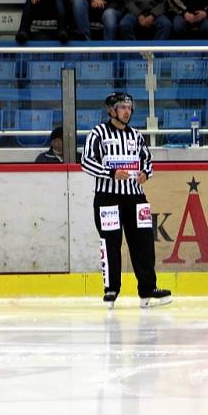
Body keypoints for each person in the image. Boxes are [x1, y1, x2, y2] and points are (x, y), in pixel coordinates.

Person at [81, 92, 172, 309]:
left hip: (135, 197)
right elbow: (85, 161)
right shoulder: (98, 133)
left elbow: (147, 160)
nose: (127, 111)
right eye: (122, 107)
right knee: (111, 242)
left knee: (143, 243)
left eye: (129, 108)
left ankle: (148, 290)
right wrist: (110, 173)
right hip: (108, 197)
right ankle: (111, 290)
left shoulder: (136, 135)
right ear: (111, 110)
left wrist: (145, 174)